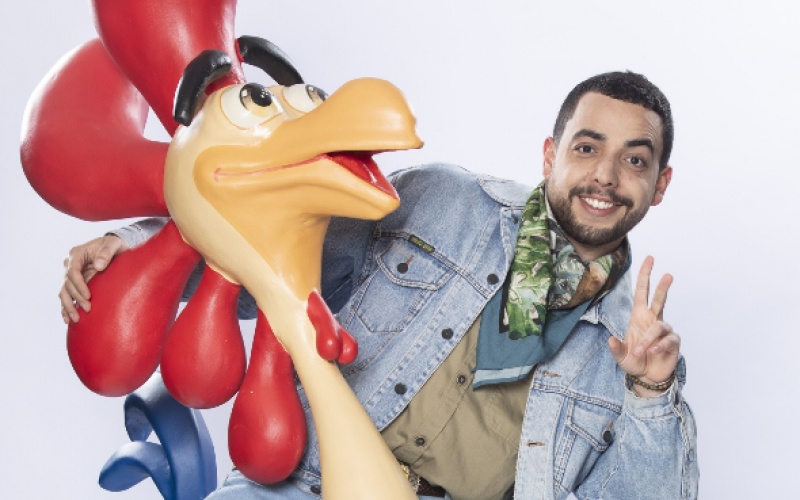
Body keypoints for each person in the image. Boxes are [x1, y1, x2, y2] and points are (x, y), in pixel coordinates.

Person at [59, 71, 698, 500]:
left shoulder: (637, 349)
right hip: (301, 485)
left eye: (634, 160)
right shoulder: (446, 202)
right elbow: (279, 259)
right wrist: (140, 252)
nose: (606, 175)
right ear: (550, 154)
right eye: (587, 149)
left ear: (659, 185)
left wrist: (650, 393)